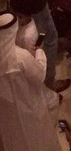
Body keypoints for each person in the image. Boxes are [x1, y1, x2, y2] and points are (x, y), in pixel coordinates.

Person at [0, 11, 60, 151]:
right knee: (37, 136)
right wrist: (39, 52)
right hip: (29, 104)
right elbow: (39, 75)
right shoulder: (20, 57)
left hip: (7, 112)